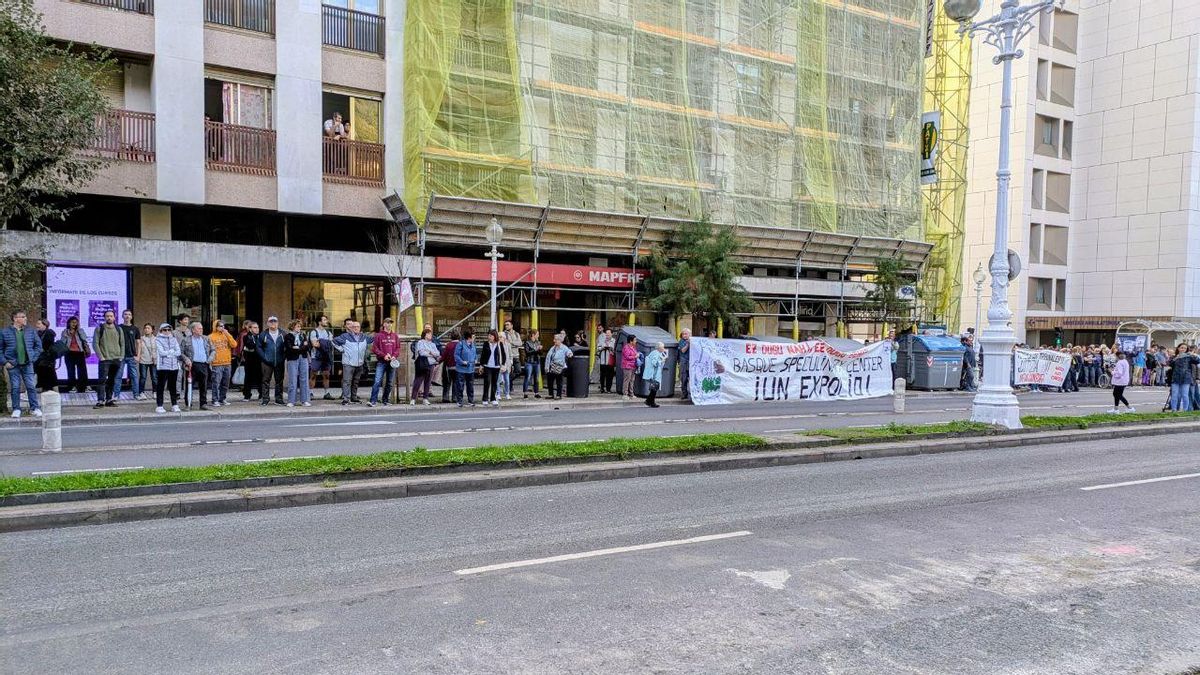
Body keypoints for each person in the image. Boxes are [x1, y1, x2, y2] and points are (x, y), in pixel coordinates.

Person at [1, 310, 43, 418]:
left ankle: (35, 408)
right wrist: (5, 362)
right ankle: (16, 409)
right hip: (13, 364)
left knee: (31, 386)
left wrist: (33, 357)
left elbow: (38, 346)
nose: (26, 318)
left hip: (27, 363)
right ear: (15, 318)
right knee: (15, 387)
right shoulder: (4, 332)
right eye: (23, 317)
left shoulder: (31, 331)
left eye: (25, 316)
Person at [92, 309, 125, 409]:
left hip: (116, 359)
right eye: (107, 316)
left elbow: (122, 344)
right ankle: (100, 400)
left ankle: (109, 400)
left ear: (114, 317)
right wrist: (101, 357)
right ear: (104, 317)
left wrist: (121, 356)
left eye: (111, 316)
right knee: (102, 380)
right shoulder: (99, 328)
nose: (109, 317)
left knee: (112, 380)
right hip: (105, 359)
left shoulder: (119, 329)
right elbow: (95, 343)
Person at [180, 321, 214, 410]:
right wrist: (186, 359)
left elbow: (213, 350)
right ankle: (189, 404)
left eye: (201, 328)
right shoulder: (186, 339)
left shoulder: (206, 339)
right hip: (192, 365)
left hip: (204, 365)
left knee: (204, 385)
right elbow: (180, 352)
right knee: (189, 385)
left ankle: (203, 404)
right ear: (193, 330)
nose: (201, 330)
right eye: (199, 328)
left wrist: (210, 359)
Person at [334, 320, 370, 405]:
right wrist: (341, 349)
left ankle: (354, 397)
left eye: (358, 327)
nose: (356, 328)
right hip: (348, 363)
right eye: (354, 327)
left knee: (356, 381)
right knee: (347, 381)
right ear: (352, 328)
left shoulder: (363, 336)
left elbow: (374, 340)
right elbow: (333, 341)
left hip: (359, 363)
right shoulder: (345, 336)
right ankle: (346, 399)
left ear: (360, 328)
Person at [369, 317, 400, 407]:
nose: (389, 324)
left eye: (391, 323)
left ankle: (385, 400)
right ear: (384, 324)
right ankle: (373, 400)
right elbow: (375, 348)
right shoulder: (378, 335)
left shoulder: (395, 336)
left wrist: (394, 356)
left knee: (390, 383)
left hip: (392, 362)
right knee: (377, 381)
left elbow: (398, 348)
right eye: (387, 322)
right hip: (381, 362)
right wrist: (384, 355)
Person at [258, 316, 287, 406]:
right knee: (265, 380)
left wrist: (283, 357)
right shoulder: (263, 334)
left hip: (279, 361)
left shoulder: (283, 334)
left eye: (275, 321)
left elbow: (287, 346)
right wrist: (264, 357)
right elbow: (259, 347)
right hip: (267, 362)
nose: (273, 323)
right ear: (267, 323)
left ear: (278, 323)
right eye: (271, 321)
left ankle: (278, 399)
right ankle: (265, 399)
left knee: (279, 381)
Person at [153, 323, 182, 414]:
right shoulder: (157, 339)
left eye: (169, 330)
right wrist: (171, 352)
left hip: (174, 366)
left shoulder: (174, 339)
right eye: (165, 330)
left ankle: (174, 404)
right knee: (160, 386)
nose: (167, 332)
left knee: (173, 386)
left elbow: (178, 352)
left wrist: (169, 353)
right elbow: (161, 352)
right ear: (161, 331)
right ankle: (160, 405)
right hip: (163, 366)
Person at [208, 320, 238, 407]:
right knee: (216, 382)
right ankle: (215, 400)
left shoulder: (226, 335)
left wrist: (227, 334)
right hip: (216, 363)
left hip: (227, 362)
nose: (222, 328)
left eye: (223, 326)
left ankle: (222, 399)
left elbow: (234, 345)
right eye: (220, 326)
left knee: (226, 382)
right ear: (215, 327)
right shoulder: (210, 337)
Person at [284, 319, 312, 407]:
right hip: (292, 359)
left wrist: (298, 348)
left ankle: (305, 400)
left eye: (300, 326)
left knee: (304, 379)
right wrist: (302, 346)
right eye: (297, 326)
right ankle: (291, 401)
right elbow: (289, 348)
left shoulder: (303, 335)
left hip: (303, 358)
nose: (299, 328)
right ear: (292, 327)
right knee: (293, 379)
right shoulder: (288, 336)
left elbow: (307, 347)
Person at [115, 309, 141, 400]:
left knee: (134, 376)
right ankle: (116, 395)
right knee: (118, 376)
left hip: (131, 355)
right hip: (120, 356)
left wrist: (138, 355)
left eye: (129, 314)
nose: (127, 316)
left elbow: (138, 343)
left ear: (131, 317)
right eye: (125, 314)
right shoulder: (118, 327)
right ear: (122, 316)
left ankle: (136, 395)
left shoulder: (135, 329)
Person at [308, 315, 335, 400]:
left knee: (326, 375)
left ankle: (326, 393)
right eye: (324, 320)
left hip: (326, 357)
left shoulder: (328, 332)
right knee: (313, 375)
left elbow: (331, 344)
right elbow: (315, 344)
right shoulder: (313, 332)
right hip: (316, 357)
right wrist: (326, 343)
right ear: (319, 322)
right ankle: (310, 393)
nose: (326, 321)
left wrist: (321, 342)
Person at [61, 316, 89, 394]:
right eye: (72, 322)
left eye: (76, 322)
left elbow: (84, 338)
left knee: (82, 371)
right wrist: (66, 336)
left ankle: (83, 387)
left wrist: (78, 330)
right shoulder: (65, 331)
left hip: (79, 352)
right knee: (70, 371)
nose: (74, 324)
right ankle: (72, 387)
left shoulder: (80, 330)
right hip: (69, 353)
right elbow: (62, 342)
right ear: (69, 323)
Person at [1167, 344, 1200, 411]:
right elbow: (1170, 364)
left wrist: (1193, 355)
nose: (1183, 349)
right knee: (1175, 395)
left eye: (1185, 348)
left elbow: (1197, 361)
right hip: (1175, 378)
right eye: (1181, 348)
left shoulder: (1189, 357)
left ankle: (1185, 410)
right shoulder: (1174, 357)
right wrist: (1176, 358)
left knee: (1185, 395)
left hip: (1186, 378)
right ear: (1178, 348)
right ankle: (1174, 409)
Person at [411, 328, 439, 405]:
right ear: (425, 335)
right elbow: (421, 352)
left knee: (428, 381)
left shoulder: (432, 344)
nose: (431, 335)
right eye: (429, 334)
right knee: (418, 380)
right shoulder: (420, 342)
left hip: (431, 364)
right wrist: (431, 353)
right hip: (422, 364)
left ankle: (425, 398)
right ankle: (413, 398)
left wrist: (430, 352)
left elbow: (437, 353)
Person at [480, 329, 507, 407]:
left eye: (491, 336)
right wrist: (481, 365)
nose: (489, 337)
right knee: (487, 382)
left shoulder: (499, 344)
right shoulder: (486, 344)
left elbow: (503, 355)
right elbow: (483, 355)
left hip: (496, 366)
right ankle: (485, 399)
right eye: (488, 335)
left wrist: (503, 364)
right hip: (487, 366)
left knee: (495, 383)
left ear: (495, 336)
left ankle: (493, 398)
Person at [453, 328, 478, 407]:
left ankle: (470, 400)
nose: (474, 338)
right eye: (473, 336)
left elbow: (475, 354)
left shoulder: (473, 345)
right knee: (460, 385)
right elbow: (456, 355)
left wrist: (476, 359)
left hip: (470, 369)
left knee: (470, 386)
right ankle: (459, 401)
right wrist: (462, 362)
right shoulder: (461, 344)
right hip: (461, 369)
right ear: (469, 337)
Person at [33, 319, 58, 393]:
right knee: (42, 375)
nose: (37, 325)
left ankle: (56, 393)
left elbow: (47, 346)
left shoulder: (49, 333)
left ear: (45, 325)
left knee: (51, 375)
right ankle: (45, 392)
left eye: (39, 324)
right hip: (41, 359)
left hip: (47, 359)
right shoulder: (39, 333)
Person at [544, 333, 571, 400]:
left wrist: (569, 354)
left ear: (560, 340)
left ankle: (559, 395)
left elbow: (569, 352)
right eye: (554, 339)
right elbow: (548, 357)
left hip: (559, 367)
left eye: (555, 339)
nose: (554, 341)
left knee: (559, 381)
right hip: (551, 367)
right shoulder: (553, 348)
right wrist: (546, 367)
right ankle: (551, 394)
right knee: (550, 381)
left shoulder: (564, 347)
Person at [240, 321, 262, 401]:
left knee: (260, 377)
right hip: (249, 360)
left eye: (258, 327)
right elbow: (250, 345)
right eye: (255, 328)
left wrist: (255, 348)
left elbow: (262, 346)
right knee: (248, 377)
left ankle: (261, 394)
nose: (257, 329)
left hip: (259, 360)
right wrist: (258, 347)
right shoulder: (246, 336)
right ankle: (247, 395)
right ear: (250, 329)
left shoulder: (261, 336)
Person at [501, 320, 521, 400]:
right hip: (508, 356)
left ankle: (507, 382)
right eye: (505, 325)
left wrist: (511, 342)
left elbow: (520, 343)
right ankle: (508, 388)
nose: (506, 326)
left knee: (518, 371)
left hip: (516, 355)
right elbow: (506, 343)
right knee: (508, 372)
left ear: (512, 325)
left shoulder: (516, 334)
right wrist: (513, 343)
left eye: (508, 325)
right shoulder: (504, 334)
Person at [642, 341, 667, 408]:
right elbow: (654, 363)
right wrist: (662, 361)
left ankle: (649, 401)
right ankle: (651, 402)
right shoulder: (656, 353)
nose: (663, 349)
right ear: (659, 348)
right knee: (654, 389)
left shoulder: (655, 352)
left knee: (653, 388)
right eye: (662, 347)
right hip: (654, 374)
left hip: (653, 373)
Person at [137, 323, 157, 399]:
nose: (146, 329)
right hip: (143, 360)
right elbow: (139, 349)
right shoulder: (141, 339)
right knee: (143, 377)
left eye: (148, 328)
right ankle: (141, 392)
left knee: (154, 377)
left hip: (153, 361)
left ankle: (155, 392)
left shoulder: (156, 339)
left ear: (152, 330)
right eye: (145, 328)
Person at [441, 330, 460, 403]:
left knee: (447, 382)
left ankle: (445, 397)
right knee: (456, 382)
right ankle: (455, 398)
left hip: (449, 367)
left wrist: (438, 361)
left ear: (451, 337)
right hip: (458, 367)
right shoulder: (460, 344)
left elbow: (444, 356)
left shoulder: (448, 345)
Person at [523, 329, 543, 399]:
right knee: (528, 377)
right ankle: (525, 393)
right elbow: (527, 352)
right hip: (529, 362)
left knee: (536, 378)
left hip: (537, 362)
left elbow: (540, 353)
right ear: (533, 335)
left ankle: (536, 393)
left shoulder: (538, 342)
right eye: (537, 334)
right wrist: (536, 350)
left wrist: (540, 349)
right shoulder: (527, 342)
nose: (538, 335)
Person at [597, 328, 616, 394]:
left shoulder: (614, 341)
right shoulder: (602, 340)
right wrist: (602, 348)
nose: (607, 336)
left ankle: (608, 389)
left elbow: (615, 350)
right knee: (602, 375)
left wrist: (611, 349)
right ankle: (602, 388)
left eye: (608, 334)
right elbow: (598, 348)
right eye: (606, 334)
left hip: (610, 360)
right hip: (603, 360)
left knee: (610, 376)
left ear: (612, 334)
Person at [620, 335, 639, 399]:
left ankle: (631, 393)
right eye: (635, 340)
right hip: (627, 366)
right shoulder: (626, 347)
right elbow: (627, 357)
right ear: (631, 341)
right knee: (627, 380)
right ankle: (625, 394)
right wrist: (635, 356)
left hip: (633, 366)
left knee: (632, 380)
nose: (636, 341)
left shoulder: (633, 347)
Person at [677, 329, 691, 400]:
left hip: (691, 362)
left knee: (691, 378)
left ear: (689, 334)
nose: (684, 335)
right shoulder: (681, 341)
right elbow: (683, 350)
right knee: (684, 378)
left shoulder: (693, 341)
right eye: (683, 334)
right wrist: (688, 344)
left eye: (686, 334)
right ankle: (684, 393)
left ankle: (691, 393)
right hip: (684, 362)